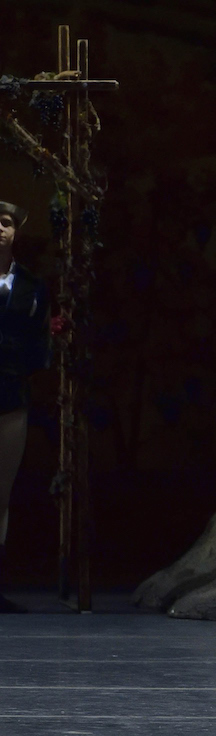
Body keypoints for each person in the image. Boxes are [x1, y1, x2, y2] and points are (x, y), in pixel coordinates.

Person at [0, 200, 50, 613]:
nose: (0, 229)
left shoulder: (32, 285)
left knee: (1, 493)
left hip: (10, 397)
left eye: (5, 223)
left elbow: (39, 344)